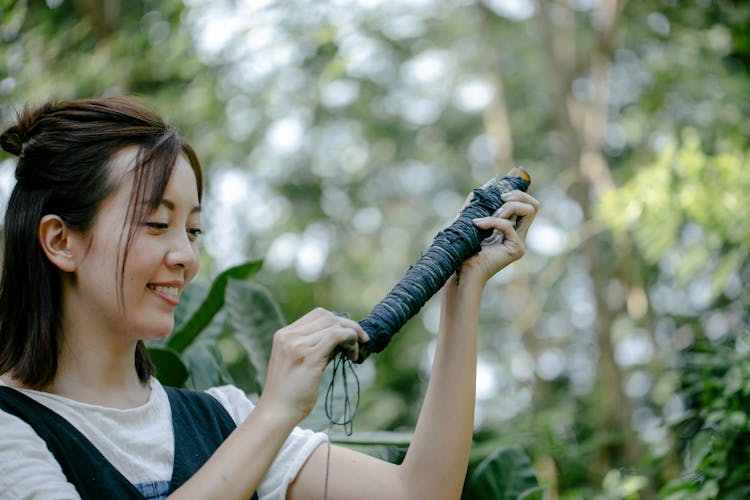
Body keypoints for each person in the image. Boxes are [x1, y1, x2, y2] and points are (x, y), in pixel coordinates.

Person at [0, 96, 539, 500]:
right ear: (60, 241)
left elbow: (418, 494)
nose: (185, 257)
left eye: (192, 231)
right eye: (156, 223)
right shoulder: (11, 430)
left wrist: (461, 293)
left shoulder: (222, 419)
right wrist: (276, 410)